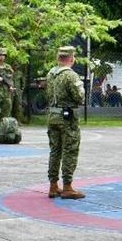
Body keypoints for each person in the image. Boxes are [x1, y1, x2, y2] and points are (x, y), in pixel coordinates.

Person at [46, 46, 86, 199]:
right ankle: (67, 187)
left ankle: (53, 186)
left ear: (58, 58)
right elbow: (79, 97)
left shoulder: (51, 74)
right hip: (67, 119)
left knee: (55, 151)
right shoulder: (71, 75)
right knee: (70, 150)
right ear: (71, 58)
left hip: (52, 116)